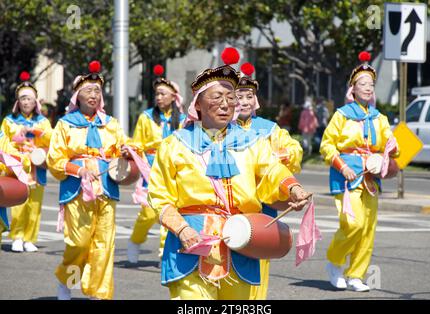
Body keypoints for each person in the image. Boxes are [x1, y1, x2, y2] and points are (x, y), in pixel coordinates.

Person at [147, 48, 312, 300]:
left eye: (230, 97)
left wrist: (293, 189)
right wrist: (181, 229)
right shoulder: (175, 145)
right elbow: (159, 197)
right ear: (198, 104)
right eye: (216, 97)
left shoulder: (252, 141)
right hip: (192, 243)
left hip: (241, 241)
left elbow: (272, 170)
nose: (225, 104)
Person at [47, 61, 136, 300]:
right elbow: (55, 159)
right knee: (79, 243)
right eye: (89, 90)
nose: (94, 95)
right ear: (77, 96)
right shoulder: (65, 124)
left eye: (97, 91)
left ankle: (99, 293)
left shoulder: (111, 124)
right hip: (77, 189)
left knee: (104, 244)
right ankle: (68, 281)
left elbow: (122, 147)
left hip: (106, 187)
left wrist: (127, 150)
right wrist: (79, 171)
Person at [320, 51, 400, 292]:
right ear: (352, 89)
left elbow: (391, 148)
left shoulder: (380, 118)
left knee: (368, 229)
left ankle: (356, 275)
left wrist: (390, 153)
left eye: (371, 85)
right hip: (346, 177)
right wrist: (342, 167)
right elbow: (326, 145)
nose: (367, 88)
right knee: (353, 224)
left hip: (371, 179)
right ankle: (334, 262)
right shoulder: (342, 116)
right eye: (362, 84)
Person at [235, 62, 303, 299]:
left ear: (255, 100)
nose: (244, 101)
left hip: (265, 202)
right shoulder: (222, 129)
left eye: (249, 96)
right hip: (234, 203)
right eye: (238, 96)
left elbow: (295, 149)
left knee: (261, 256)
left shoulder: (269, 129)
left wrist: (280, 155)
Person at [127, 64, 186, 264]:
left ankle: (164, 253)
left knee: (169, 212)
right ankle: (135, 241)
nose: (159, 98)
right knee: (147, 212)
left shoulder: (184, 119)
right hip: (150, 168)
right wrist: (131, 152)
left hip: (173, 169)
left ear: (174, 97)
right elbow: (137, 142)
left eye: (163, 94)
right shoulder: (146, 117)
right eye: (157, 94)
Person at [1, 71, 53, 253]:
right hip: (18, 167)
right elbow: (3, 143)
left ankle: (30, 238)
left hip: (37, 168)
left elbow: (52, 141)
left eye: (29, 99)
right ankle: (17, 236)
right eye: (22, 99)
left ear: (35, 101)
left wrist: (38, 132)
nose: (26, 102)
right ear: (18, 101)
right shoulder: (9, 121)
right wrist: (17, 147)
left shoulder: (43, 122)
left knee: (35, 205)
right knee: (18, 203)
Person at [0, 130, 31, 248]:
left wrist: (5, 158)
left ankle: (28, 239)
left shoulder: (0, 138)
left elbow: (24, 162)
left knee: (33, 208)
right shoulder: (9, 121)